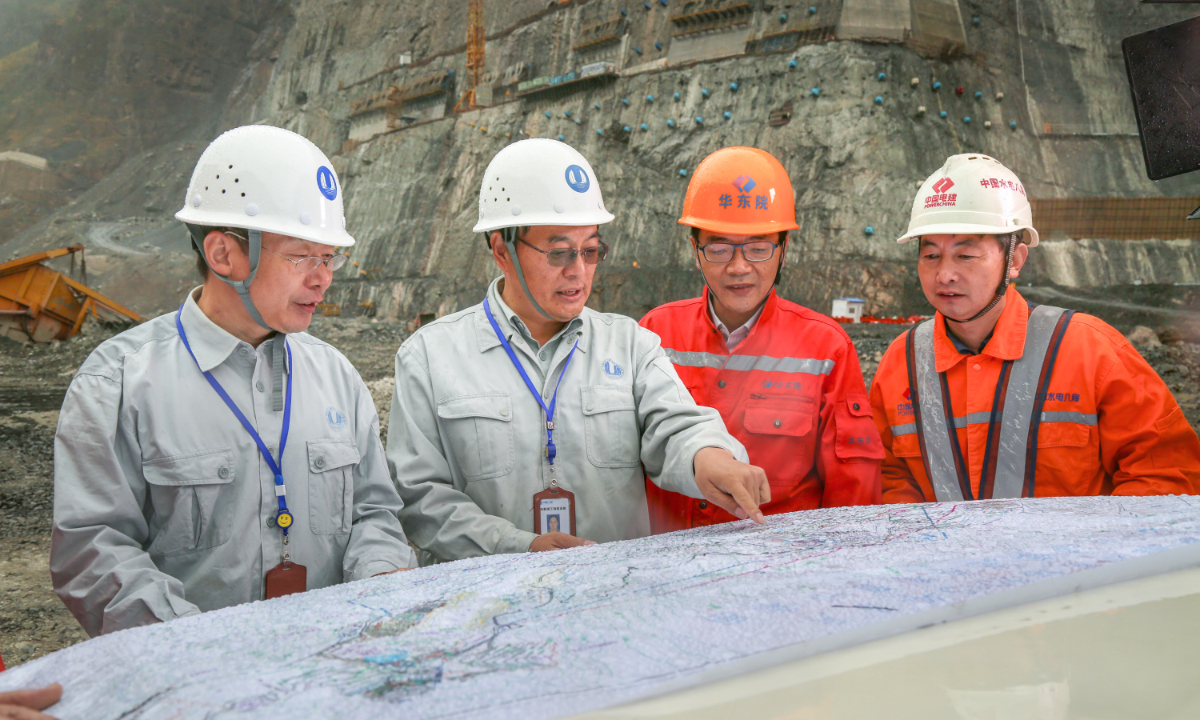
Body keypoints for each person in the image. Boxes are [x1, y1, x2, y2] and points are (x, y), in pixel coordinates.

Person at [51, 126, 416, 637]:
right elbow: (92, 551)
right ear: (224, 255)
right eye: (300, 257)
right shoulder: (118, 386)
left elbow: (373, 514)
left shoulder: (336, 377)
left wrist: (380, 590)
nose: (322, 278)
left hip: (337, 671)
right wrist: (206, 652)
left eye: (328, 257)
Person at [388, 138, 770, 564]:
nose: (578, 272)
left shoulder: (630, 344)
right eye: (558, 253)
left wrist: (709, 457)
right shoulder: (428, 356)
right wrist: (517, 545)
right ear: (502, 250)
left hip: (610, 601)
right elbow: (419, 497)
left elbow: (677, 425)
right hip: (481, 608)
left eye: (590, 251)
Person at [869, 153, 1200, 502]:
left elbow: (1164, 475)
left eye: (965, 255)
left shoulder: (1090, 350)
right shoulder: (901, 364)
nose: (944, 274)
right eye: (931, 255)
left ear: (1014, 260)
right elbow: (888, 480)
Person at [638, 147, 883, 532]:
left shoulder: (826, 347)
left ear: (783, 250)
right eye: (718, 248)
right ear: (695, 251)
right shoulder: (655, 333)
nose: (739, 267)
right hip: (668, 564)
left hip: (777, 568)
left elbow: (853, 489)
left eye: (758, 248)